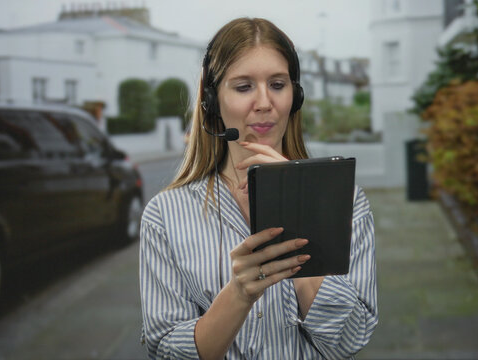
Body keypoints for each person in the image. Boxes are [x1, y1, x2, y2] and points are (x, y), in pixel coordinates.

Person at [139, 17, 378, 359]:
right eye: (243, 86)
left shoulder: (348, 201)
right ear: (212, 101)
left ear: (295, 97)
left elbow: (350, 340)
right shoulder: (164, 216)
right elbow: (166, 352)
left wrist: (295, 207)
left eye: (278, 84)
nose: (265, 102)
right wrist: (238, 294)